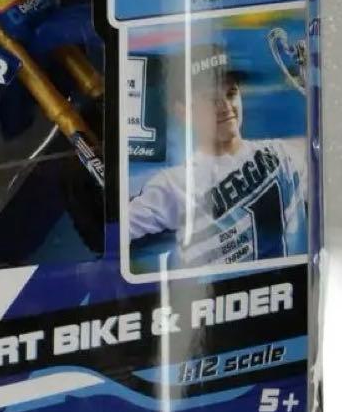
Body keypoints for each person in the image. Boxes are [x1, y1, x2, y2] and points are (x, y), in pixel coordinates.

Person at [127, 43, 308, 266]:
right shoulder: (172, 184)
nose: (225, 106)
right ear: (183, 111)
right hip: (226, 287)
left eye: (231, 93)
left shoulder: (283, 152)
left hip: (294, 282)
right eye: (211, 99)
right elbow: (115, 230)